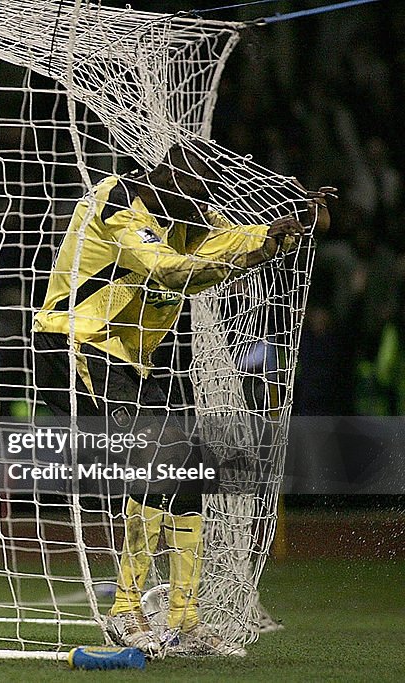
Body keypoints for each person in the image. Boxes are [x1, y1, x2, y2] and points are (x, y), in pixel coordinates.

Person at [31, 139, 332, 657]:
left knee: (190, 472)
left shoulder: (191, 217)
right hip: (74, 341)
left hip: (128, 358)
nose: (205, 207)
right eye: (196, 193)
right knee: (157, 459)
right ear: (166, 180)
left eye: (207, 197)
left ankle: (185, 620)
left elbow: (228, 244)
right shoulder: (120, 200)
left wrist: (288, 230)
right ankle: (127, 611)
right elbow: (168, 269)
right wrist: (258, 247)